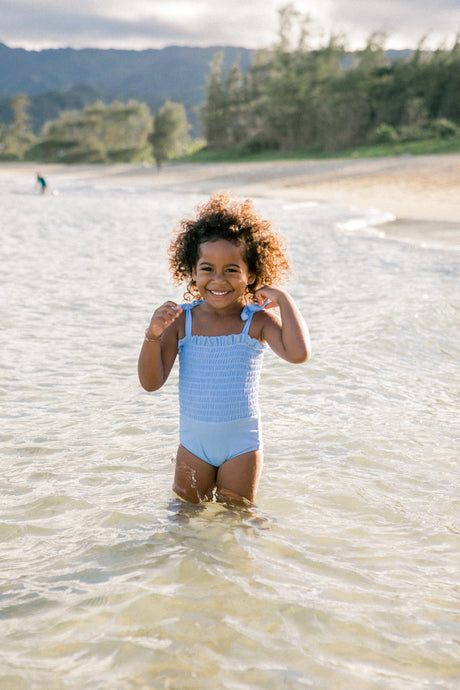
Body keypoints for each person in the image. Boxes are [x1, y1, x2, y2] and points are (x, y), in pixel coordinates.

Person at [138, 193, 311, 506]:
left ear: (252, 276)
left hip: (241, 448)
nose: (218, 280)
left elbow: (298, 354)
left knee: (238, 524)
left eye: (232, 269)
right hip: (193, 447)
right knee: (184, 524)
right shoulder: (181, 321)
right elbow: (151, 383)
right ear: (191, 271)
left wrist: (284, 299)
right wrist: (152, 335)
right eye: (207, 268)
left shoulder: (256, 321)